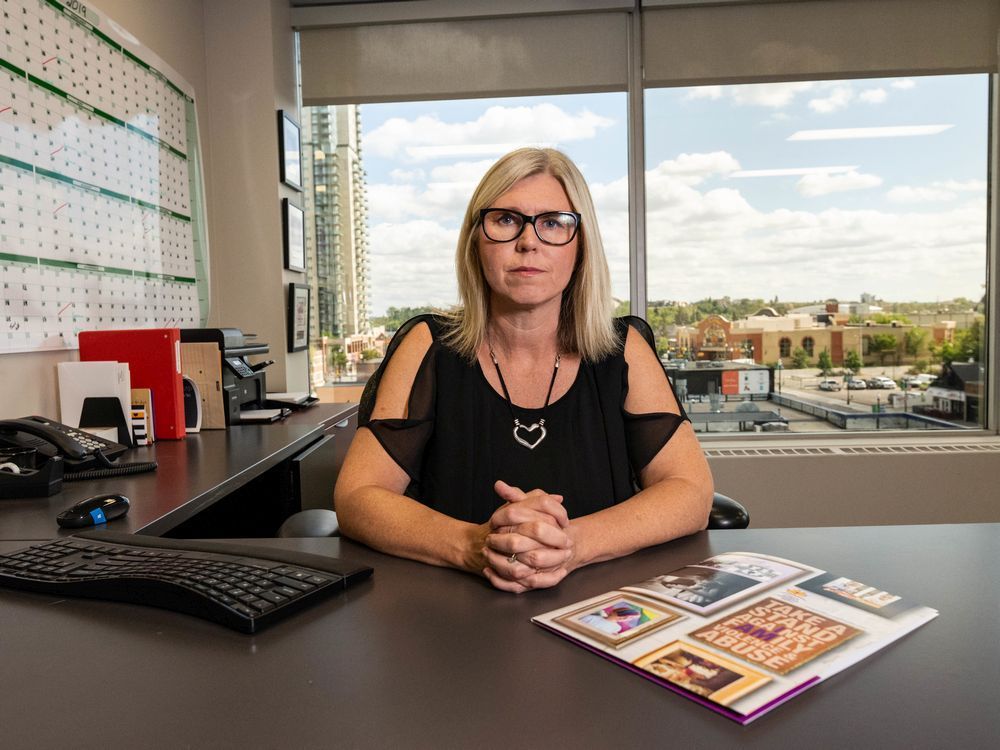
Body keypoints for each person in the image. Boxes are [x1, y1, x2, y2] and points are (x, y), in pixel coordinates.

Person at [334, 147, 713, 593]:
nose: (528, 241)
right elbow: (358, 496)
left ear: (581, 245)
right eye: (507, 220)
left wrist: (571, 545)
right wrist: (474, 545)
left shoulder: (622, 348)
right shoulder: (428, 345)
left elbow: (691, 491)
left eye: (553, 222)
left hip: (602, 610)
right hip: (449, 616)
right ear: (477, 239)